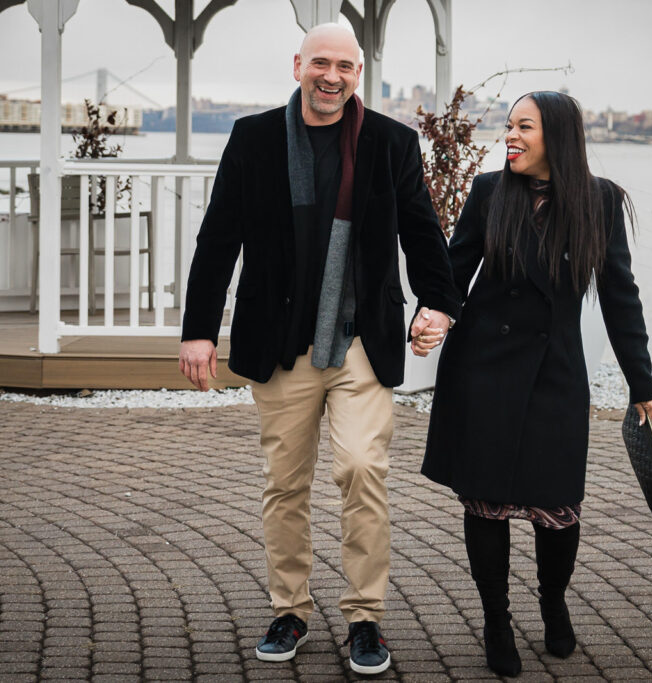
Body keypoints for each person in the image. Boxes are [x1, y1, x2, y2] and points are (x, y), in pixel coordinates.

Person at [178, 23, 460, 676]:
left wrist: (438, 303)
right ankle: (291, 607)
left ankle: (365, 617)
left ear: (359, 73)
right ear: (298, 65)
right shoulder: (253, 138)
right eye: (321, 63)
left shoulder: (392, 143)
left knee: (363, 469)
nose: (332, 76)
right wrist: (198, 329)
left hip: (362, 340)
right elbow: (219, 237)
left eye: (346, 66)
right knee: (286, 482)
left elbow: (422, 232)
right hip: (280, 343)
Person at [419, 91, 652, 677]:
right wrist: (431, 315)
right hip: (482, 369)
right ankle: (496, 619)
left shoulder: (598, 202)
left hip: (554, 371)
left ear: (555, 135)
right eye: (508, 126)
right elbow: (454, 272)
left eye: (522, 127)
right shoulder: (489, 192)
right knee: (486, 504)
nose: (510, 136)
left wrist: (641, 379)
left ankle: (553, 600)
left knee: (558, 508)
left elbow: (619, 295)